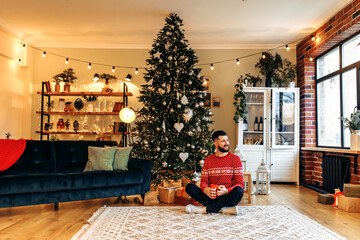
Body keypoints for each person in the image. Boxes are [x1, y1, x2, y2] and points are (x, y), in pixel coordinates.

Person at [185, 130, 244, 215]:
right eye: (223, 141)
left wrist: (227, 191)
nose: (227, 143)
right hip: (211, 197)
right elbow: (204, 181)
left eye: (227, 140)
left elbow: (239, 183)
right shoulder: (208, 160)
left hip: (227, 197)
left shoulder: (235, 159)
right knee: (189, 187)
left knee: (239, 191)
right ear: (216, 144)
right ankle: (224, 209)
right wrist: (206, 190)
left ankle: (204, 210)